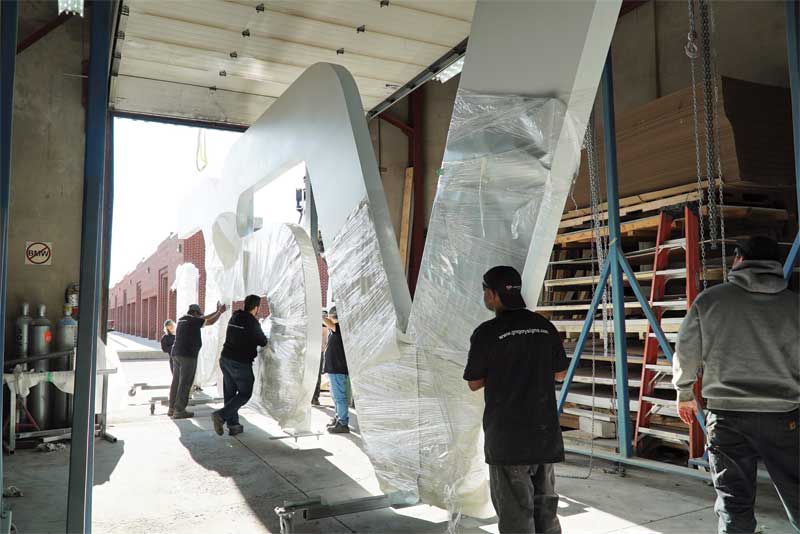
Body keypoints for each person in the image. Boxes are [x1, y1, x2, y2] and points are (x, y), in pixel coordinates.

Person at [673, 236, 799, 534]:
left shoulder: (711, 300)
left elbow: (687, 349)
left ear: (738, 259)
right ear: (777, 266)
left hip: (728, 418)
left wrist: (685, 392)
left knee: (734, 505)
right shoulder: (795, 305)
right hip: (785, 416)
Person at [464, 266, 568, 534]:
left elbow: (474, 382)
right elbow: (559, 373)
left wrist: (504, 372)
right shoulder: (545, 327)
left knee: (516, 516)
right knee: (546, 510)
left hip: (508, 440)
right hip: (544, 435)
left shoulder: (486, 332)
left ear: (492, 294)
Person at [211, 295, 268, 436]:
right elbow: (263, 341)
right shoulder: (253, 323)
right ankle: (221, 415)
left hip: (225, 359)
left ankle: (233, 425)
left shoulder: (235, 316)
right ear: (256, 307)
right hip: (240, 362)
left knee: (230, 393)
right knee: (245, 393)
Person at [168, 302, 226, 419]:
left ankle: (172, 408)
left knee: (176, 382)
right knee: (185, 383)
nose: (199, 316)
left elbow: (203, 319)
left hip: (176, 354)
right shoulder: (193, 321)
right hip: (187, 356)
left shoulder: (183, 319)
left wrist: (216, 311)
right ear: (194, 313)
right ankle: (179, 410)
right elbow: (209, 321)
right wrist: (220, 312)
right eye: (198, 314)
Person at [322, 306, 350, 434]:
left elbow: (328, 322)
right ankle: (338, 418)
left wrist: (321, 316)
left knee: (339, 397)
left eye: (331, 316)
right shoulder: (334, 330)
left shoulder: (340, 328)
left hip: (338, 368)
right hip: (334, 369)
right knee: (335, 396)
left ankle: (343, 423)